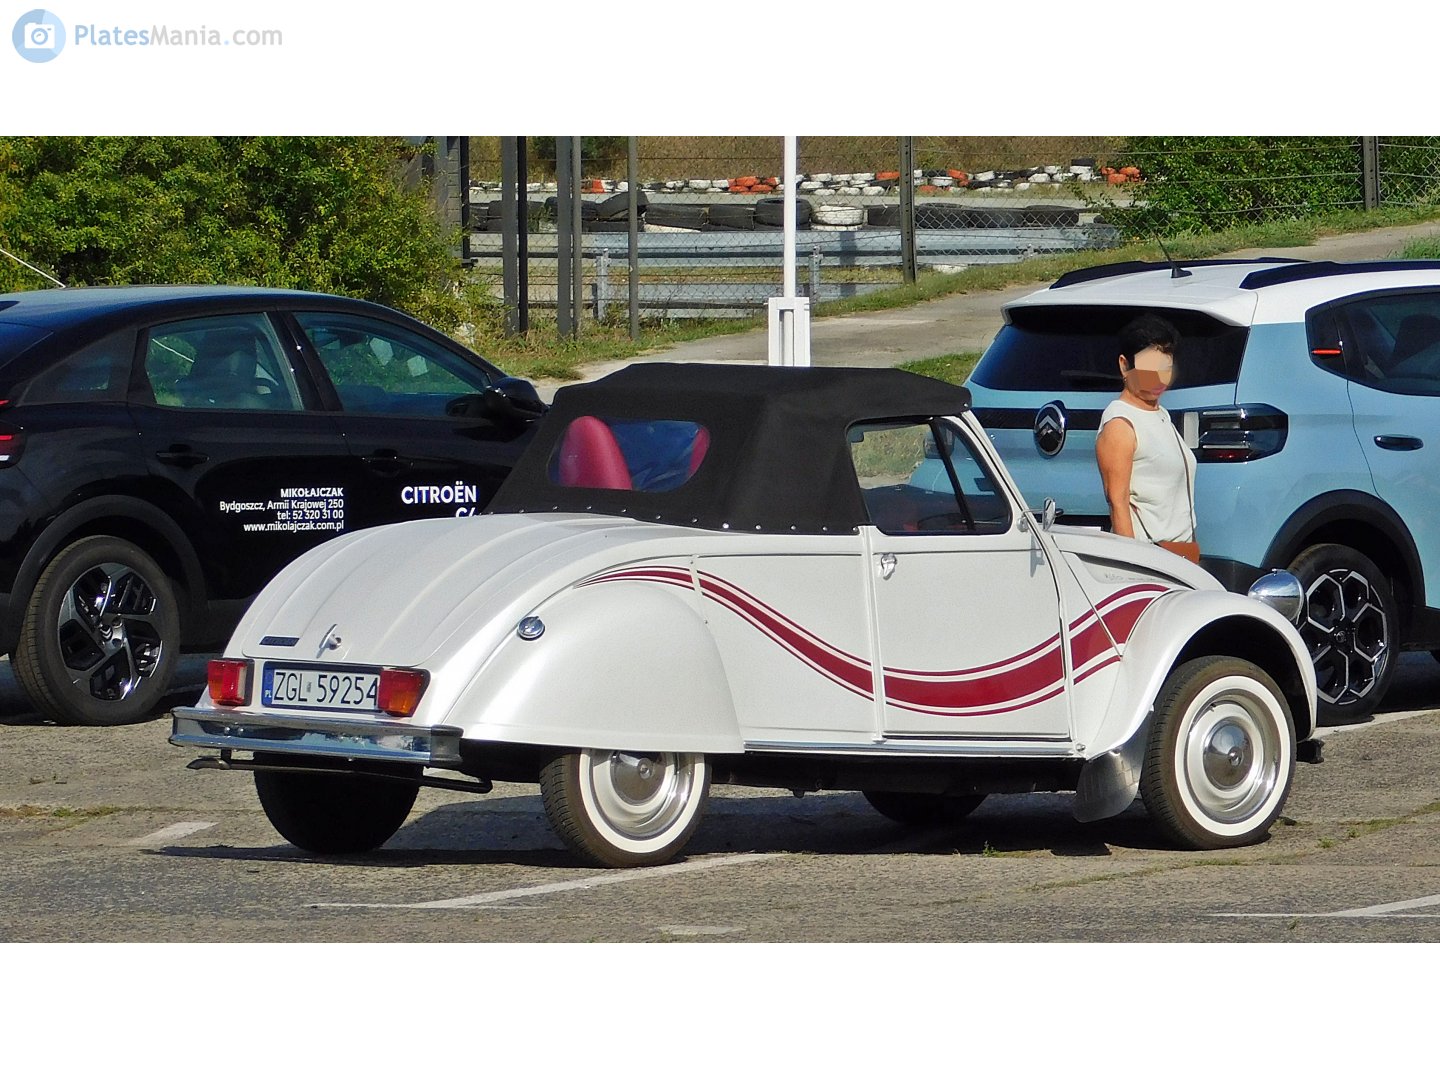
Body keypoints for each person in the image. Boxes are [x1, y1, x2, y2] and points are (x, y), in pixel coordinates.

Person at [1094, 313, 1199, 562]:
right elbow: (1118, 503)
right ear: (1124, 366)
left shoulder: (1160, 414)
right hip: (1151, 560)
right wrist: (1134, 566)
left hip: (1181, 556)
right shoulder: (1121, 423)